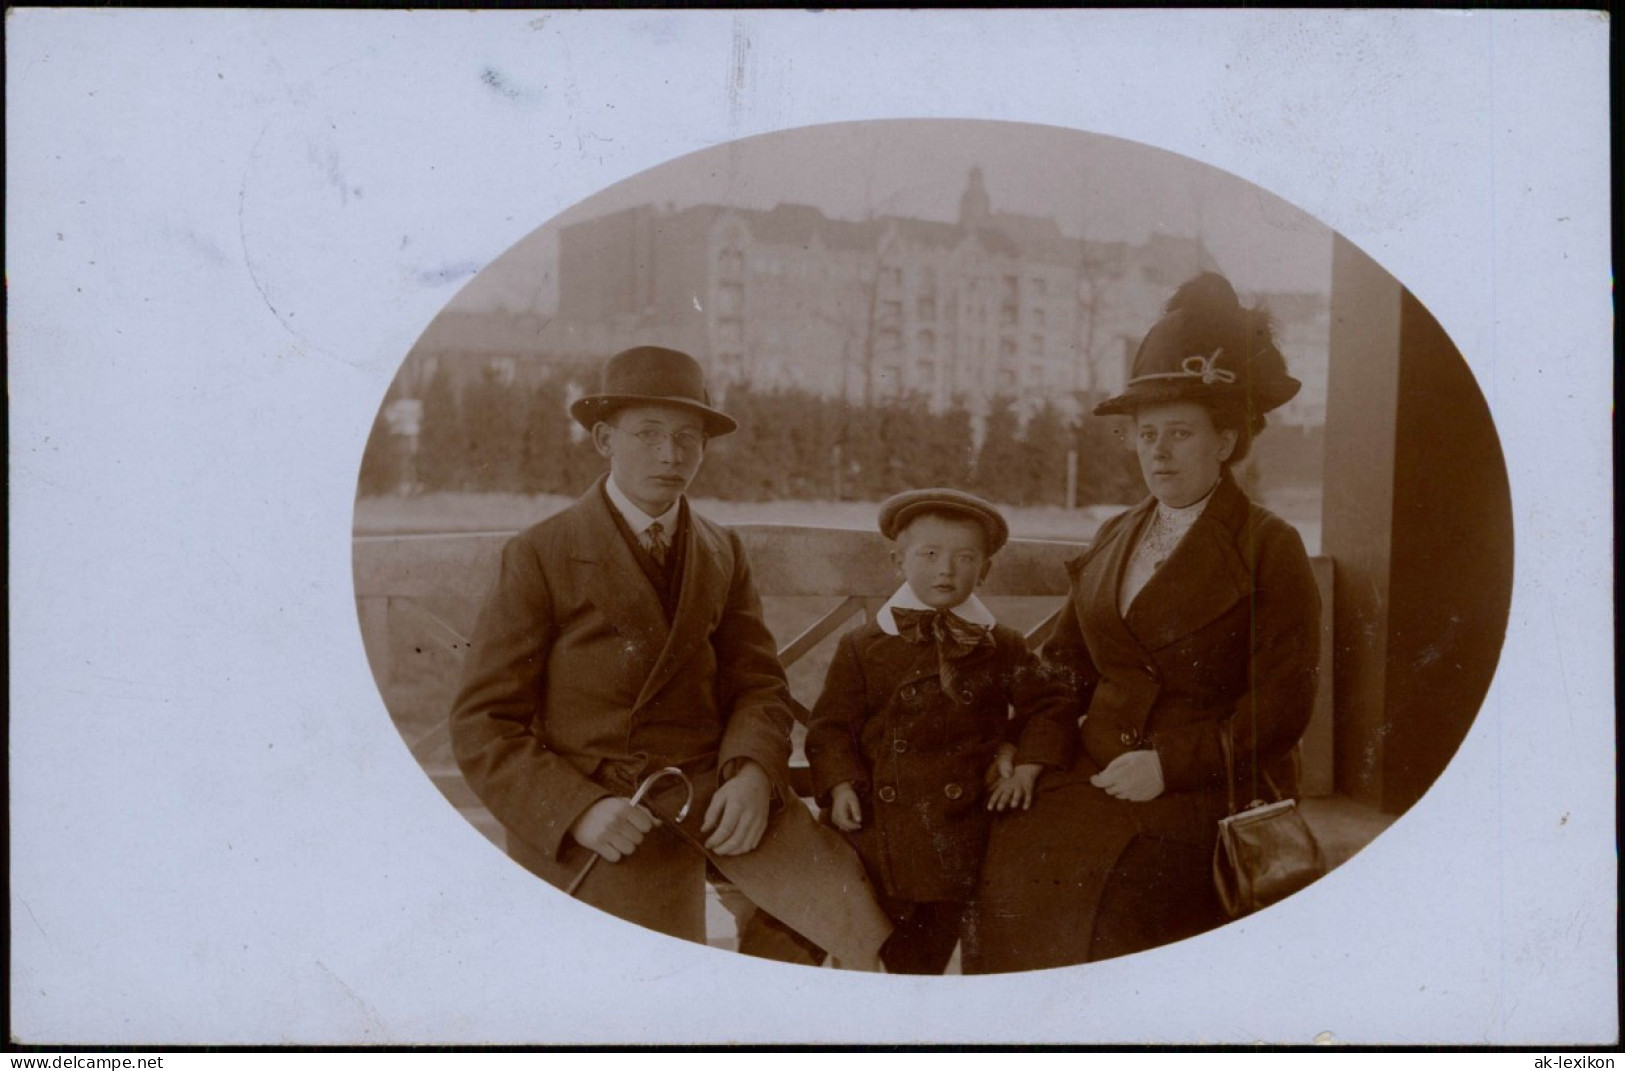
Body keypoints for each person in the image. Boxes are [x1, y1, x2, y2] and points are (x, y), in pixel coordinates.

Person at [449, 345, 891, 966]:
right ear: (604, 439)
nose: (670, 453)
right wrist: (578, 811)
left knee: (841, 914)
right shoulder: (541, 553)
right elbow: (482, 724)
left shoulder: (721, 550)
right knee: (648, 975)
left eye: (689, 437)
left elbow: (758, 684)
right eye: (648, 433)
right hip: (610, 807)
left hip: (717, 791)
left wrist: (755, 772)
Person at [962, 273, 1323, 972]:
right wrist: (1033, 749)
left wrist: (1167, 764)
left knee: (1119, 881)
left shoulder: (1266, 544)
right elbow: (1065, 663)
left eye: (1179, 434)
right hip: (1098, 765)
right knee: (1008, 834)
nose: (1157, 451)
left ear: (1225, 440)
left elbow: (1284, 703)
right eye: (1145, 434)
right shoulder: (1115, 534)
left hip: (1206, 784)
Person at [805, 489, 1076, 974]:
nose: (945, 571)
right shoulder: (864, 644)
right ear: (898, 561)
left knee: (930, 948)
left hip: (963, 825)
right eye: (928, 555)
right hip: (874, 824)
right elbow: (831, 726)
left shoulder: (1000, 645)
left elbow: (1050, 705)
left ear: (985, 571)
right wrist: (839, 781)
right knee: (863, 935)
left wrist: (1026, 763)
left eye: (964, 558)